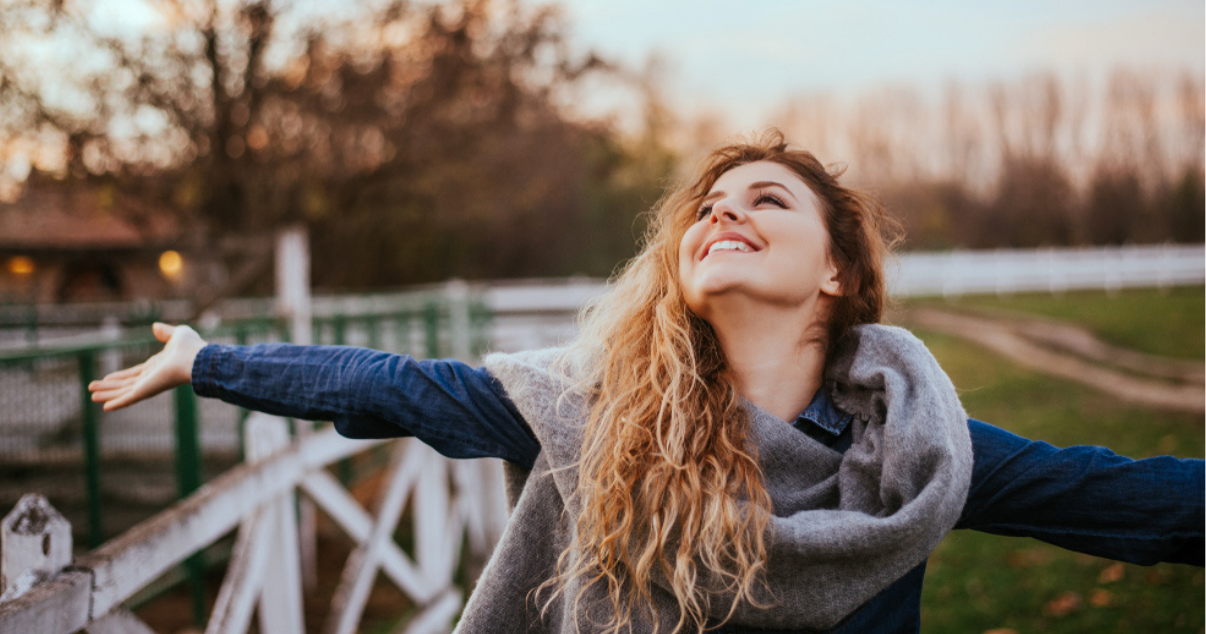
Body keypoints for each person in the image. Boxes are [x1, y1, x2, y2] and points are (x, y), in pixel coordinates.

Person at [89, 130, 1203, 634]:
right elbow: (399, 384)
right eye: (712, 204)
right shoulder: (594, 417)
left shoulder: (912, 455)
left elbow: (1128, 500)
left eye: (768, 199)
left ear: (835, 273)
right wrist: (208, 360)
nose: (724, 210)